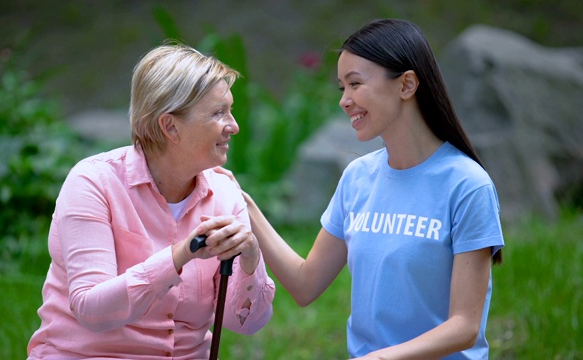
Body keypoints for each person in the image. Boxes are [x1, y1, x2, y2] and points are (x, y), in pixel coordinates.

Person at [213, 19, 505, 359]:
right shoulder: (358, 178)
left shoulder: (467, 185)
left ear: (407, 84)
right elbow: (306, 284)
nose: (345, 101)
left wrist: (382, 357)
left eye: (355, 84)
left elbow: (465, 326)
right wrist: (244, 204)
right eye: (342, 88)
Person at [27, 43, 275, 359]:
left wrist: (250, 258)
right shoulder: (93, 183)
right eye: (218, 113)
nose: (234, 126)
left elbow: (247, 324)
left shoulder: (224, 192)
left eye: (230, 110)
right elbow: (92, 309)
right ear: (170, 126)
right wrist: (180, 255)